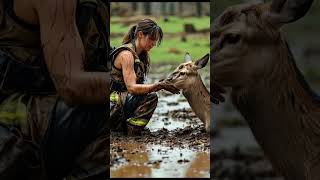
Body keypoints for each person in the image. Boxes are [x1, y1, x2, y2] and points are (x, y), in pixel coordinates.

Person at [0, 0, 109, 179]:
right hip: (10, 128)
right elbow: (73, 87)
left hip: (25, 113)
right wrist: (134, 89)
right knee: (107, 108)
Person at [110, 19, 180, 135]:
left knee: (148, 94)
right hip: (112, 105)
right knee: (151, 97)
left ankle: (124, 129)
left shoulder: (141, 56)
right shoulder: (127, 55)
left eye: (155, 41)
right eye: (151, 39)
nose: (153, 44)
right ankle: (129, 131)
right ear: (140, 35)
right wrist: (157, 86)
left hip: (119, 103)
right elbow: (132, 88)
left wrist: (161, 83)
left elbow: (138, 86)